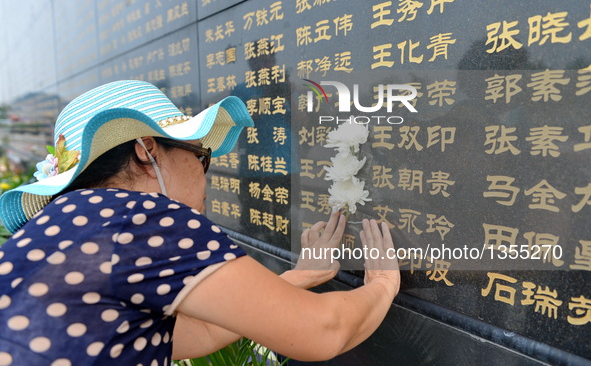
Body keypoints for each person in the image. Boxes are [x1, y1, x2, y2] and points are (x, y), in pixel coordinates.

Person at [0, 80, 399, 365]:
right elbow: (322, 331)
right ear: (147, 151)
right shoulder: (140, 218)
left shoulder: (67, 227)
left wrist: (298, 277)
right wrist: (382, 286)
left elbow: (198, 333)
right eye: (201, 155)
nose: (205, 173)